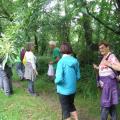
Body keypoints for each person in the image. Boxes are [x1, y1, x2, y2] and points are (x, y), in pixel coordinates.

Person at [93, 42, 119, 120]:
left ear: (108, 47)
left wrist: (109, 64)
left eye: (103, 47)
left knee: (105, 105)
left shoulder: (111, 56)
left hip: (109, 84)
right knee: (111, 105)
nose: (101, 49)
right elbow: (104, 69)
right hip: (105, 84)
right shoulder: (104, 57)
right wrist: (97, 68)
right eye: (100, 48)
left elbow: (119, 67)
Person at [55, 42, 80, 120]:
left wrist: (55, 81)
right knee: (71, 105)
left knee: (65, 110)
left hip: (63, 91)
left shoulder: (61, 62)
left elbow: (58, 79)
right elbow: (78, 76)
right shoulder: (75, 61)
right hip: (72, 89)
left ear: (61, 50)